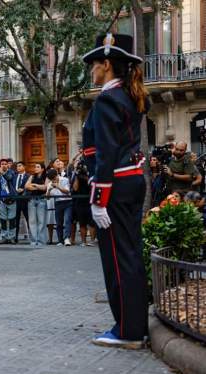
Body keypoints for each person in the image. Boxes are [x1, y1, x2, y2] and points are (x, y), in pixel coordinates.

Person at [82, 33, 149, 348]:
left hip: (115, 187)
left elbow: (106, 153)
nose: (91, 70)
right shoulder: (128, 95)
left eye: (94, 64)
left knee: (118, 260)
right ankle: (132, 323)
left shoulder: (109, 99)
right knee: (130, 255)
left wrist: (99, 200)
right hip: (129, 181)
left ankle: (127, 331)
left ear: (106, 64)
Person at [71, 154, 95, 246]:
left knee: (92, 222)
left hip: (90, 199)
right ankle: (83, 241)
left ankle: (92, 241)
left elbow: (92, 183)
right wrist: (77, 175)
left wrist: (86, 175)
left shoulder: (91, 171)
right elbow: (75, 188)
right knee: (82, 222)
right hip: (79, 201)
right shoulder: (75, 173)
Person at [46, 167, 72, 246]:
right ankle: (60, 240)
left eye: (55, 178)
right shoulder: (50, 184)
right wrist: (49, 190)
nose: (54, 180)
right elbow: (47, 198)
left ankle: (67, 238)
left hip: (67, 202)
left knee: (67, 220)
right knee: (58, 222)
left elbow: (67, 191)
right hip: (57, 203)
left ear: (57, 174)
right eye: (52, 179)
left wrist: (57, 186)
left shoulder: (65, 180)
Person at [0, 158, 17, 244]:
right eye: (2, 164)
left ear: (8, 165)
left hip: (11, 199)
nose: (3, 165)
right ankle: (4, 236)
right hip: (1, 199)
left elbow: (9, 178)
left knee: (11, 219)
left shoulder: (11, 172)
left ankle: (11, 237)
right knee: (3, 219)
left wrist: (2, 173)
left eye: (5, 164)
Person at [25, 162, 48, 246]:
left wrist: (34, 185)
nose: (35, 168)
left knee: (41, 221)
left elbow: (45, 187)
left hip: (42, 200)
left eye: (38, 167)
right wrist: (38, 187)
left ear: (42, 169)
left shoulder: (46, 177)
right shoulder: (32, 176)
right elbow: (27, 186)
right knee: (32, 221)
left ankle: (41, 241)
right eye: (35, 167)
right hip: (32, 200)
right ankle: (34, 240)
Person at [13, 162, 29, 243]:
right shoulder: (14, 176)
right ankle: (15, 237)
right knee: (16, 219)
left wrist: (24, 190)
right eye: (17, 166)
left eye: (20, 166)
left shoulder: (28, 176)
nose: (18, 167)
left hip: (25, 200)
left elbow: (30, 187)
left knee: (28, 218)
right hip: (16, 200)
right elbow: (12, 187)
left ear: (24, 166)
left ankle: (32, 237)